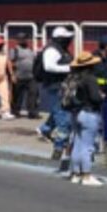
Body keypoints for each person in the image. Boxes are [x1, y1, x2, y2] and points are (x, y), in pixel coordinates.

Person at [65, 52, 105, 186]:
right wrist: (102, 96)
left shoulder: (74, 78)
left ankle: (75, 174)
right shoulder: (90, 79)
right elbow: (95, 98)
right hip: (89, 113)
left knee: (77, 144)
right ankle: (87, 175)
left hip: (76, 113)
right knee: (88, 147)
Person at [38, 26, 75, 167]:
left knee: (59, 111)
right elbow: (49, 66)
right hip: (55, 86)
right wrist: (69, 68)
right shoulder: (52, 50)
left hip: (64, 86)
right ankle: (59, 147)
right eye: (67, 38)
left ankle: (45, 129)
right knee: (64, 117)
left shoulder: (62, 49)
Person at [9, 33, 39, 119]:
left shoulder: (31, 51)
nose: (22, 41)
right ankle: (15, 111)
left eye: (24, 39)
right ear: (17, 41)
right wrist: (12, 75)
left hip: (31, 77)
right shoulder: (14, 50)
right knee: (17, 96)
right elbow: (10, 63)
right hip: (18, 76)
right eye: (20, 39)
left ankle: (32, 113)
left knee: (33, 94)